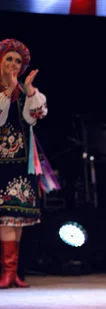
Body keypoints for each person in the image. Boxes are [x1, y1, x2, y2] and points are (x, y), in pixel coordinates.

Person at [0, 38, 53, 289]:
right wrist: (9, 90)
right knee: (5, 218)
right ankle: (8, 272)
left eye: (18, 61)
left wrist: (29, 89)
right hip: (1, 162)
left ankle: (13, 272)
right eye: (9, 58)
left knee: (16, 217)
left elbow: (35, 116)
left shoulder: (26, 90)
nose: (13, 64)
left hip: (21, 162)